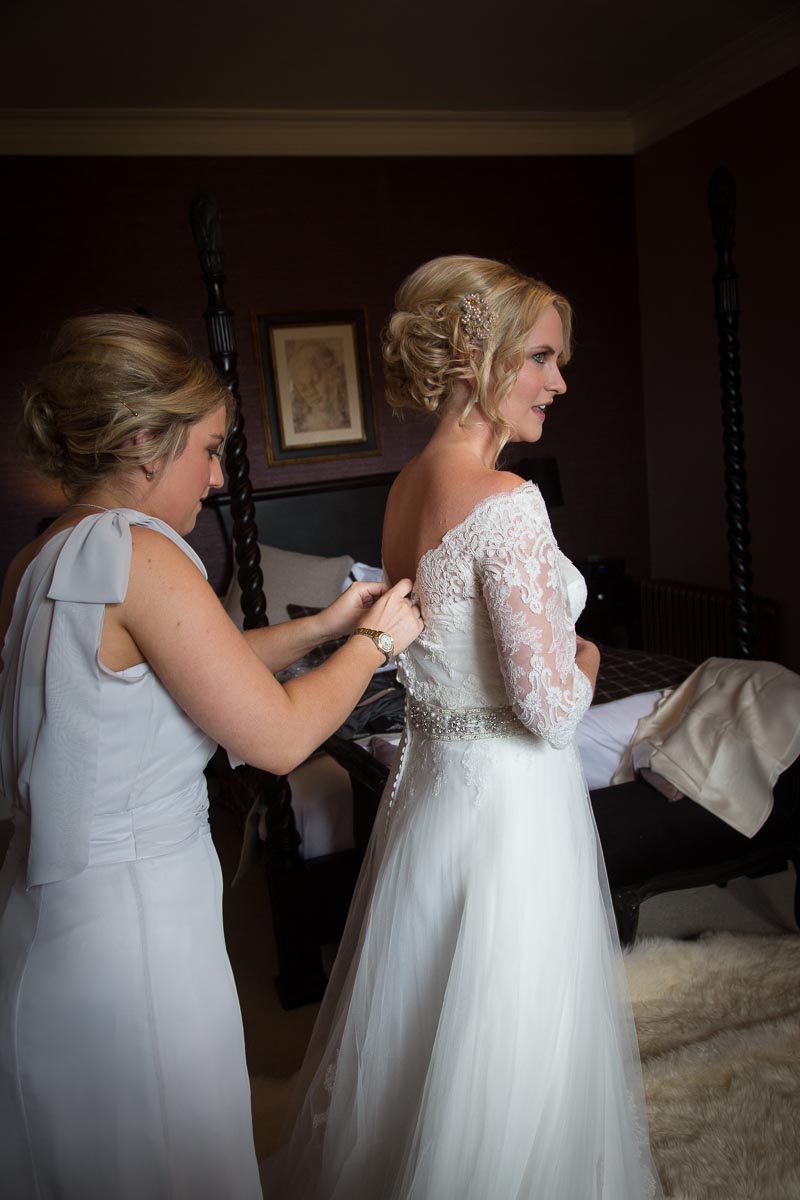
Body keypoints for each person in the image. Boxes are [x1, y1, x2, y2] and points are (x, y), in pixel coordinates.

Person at [265, 256, 663, 1198]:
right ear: (478, 359)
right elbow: (549, 709)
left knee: (429, 1025)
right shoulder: (506, 503)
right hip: (515, 808)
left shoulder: (407, 486)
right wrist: (589, 657)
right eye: (542, 358)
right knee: (516, 1038)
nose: (558, 383)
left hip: (435, 795)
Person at [0, 313, 422, 1200]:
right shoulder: (142, 553)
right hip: (134, 933)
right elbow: (278, 736)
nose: (220, 476)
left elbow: (189, 669)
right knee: (169, 1151)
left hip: (45, 918)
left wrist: (322, 625)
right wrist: (375, 644)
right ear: (144, 444)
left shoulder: (39, 558)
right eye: (209, 449)